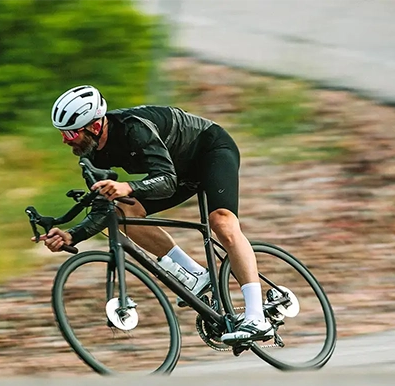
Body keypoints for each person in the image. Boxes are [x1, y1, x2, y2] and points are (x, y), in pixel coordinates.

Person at [38, 84, 271, 343]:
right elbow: (102, 210)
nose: (64, 140)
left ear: (94, 127)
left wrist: (128, 186)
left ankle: (256, 317)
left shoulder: (134, 129)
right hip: (177, 170)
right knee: (120, 212)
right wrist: (71, 236)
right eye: (62, 133)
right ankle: (195, 275)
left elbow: (167, 181)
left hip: (210, 151)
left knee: (222, 222)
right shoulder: (90, 155)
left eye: (70, 134)